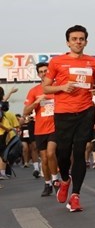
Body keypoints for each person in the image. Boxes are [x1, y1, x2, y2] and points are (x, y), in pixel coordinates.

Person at [42, 25, 95, 212]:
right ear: (68, 42)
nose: (78, 42)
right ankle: (65, 180)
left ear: (86, 41)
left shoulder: (93, 62)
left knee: (80, 152)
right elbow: (46, 88)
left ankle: (75, 195)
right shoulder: (57, 62)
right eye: (74, 39)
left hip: (86, 111)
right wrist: (62, 87)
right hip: (64, 113)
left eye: (81, 39)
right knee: (63, 153)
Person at [23, 62, 60, 196]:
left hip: (55, 127)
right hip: (40, 129)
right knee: (44, 159)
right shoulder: (34, 91)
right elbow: (25, 111)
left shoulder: (57, 88)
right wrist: (37, 101)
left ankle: (56, 180)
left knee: (51, 154)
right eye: (41, 71)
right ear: (38, 74)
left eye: (46, 71)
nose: (44, 73)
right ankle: (48, 183)